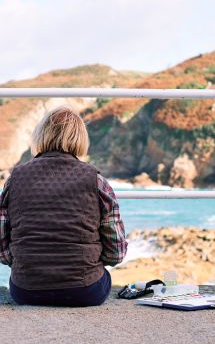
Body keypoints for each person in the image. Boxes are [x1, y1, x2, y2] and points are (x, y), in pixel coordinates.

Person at [0, 106, 127, 306]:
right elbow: (116, 251)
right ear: (81, 138)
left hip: (25, 290)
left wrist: (19, 263)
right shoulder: (96, 181)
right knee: (104, 280)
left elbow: (2, 243)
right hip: (85, 291)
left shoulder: (14, 179)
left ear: (40, 136)